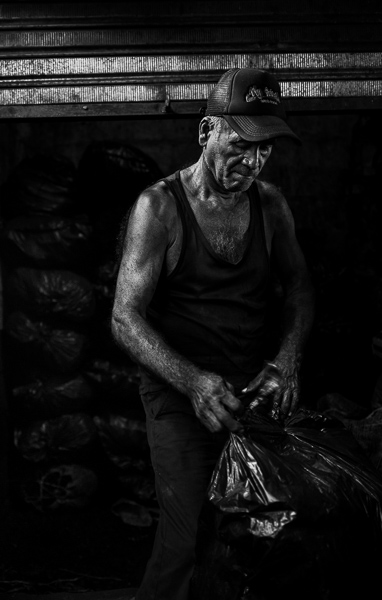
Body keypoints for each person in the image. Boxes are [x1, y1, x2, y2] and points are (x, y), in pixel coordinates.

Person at [111, 67, 315, 600]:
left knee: (255, 536)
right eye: (242, 144)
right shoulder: (159, 207)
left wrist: (287, 360)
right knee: (184, 542)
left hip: (251, 395)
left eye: (266, 149)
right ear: (206, 132)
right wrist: (193, 380)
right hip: (181, 397)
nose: (253, 162)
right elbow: (124, 317)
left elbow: (298, 287)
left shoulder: (270, 205)